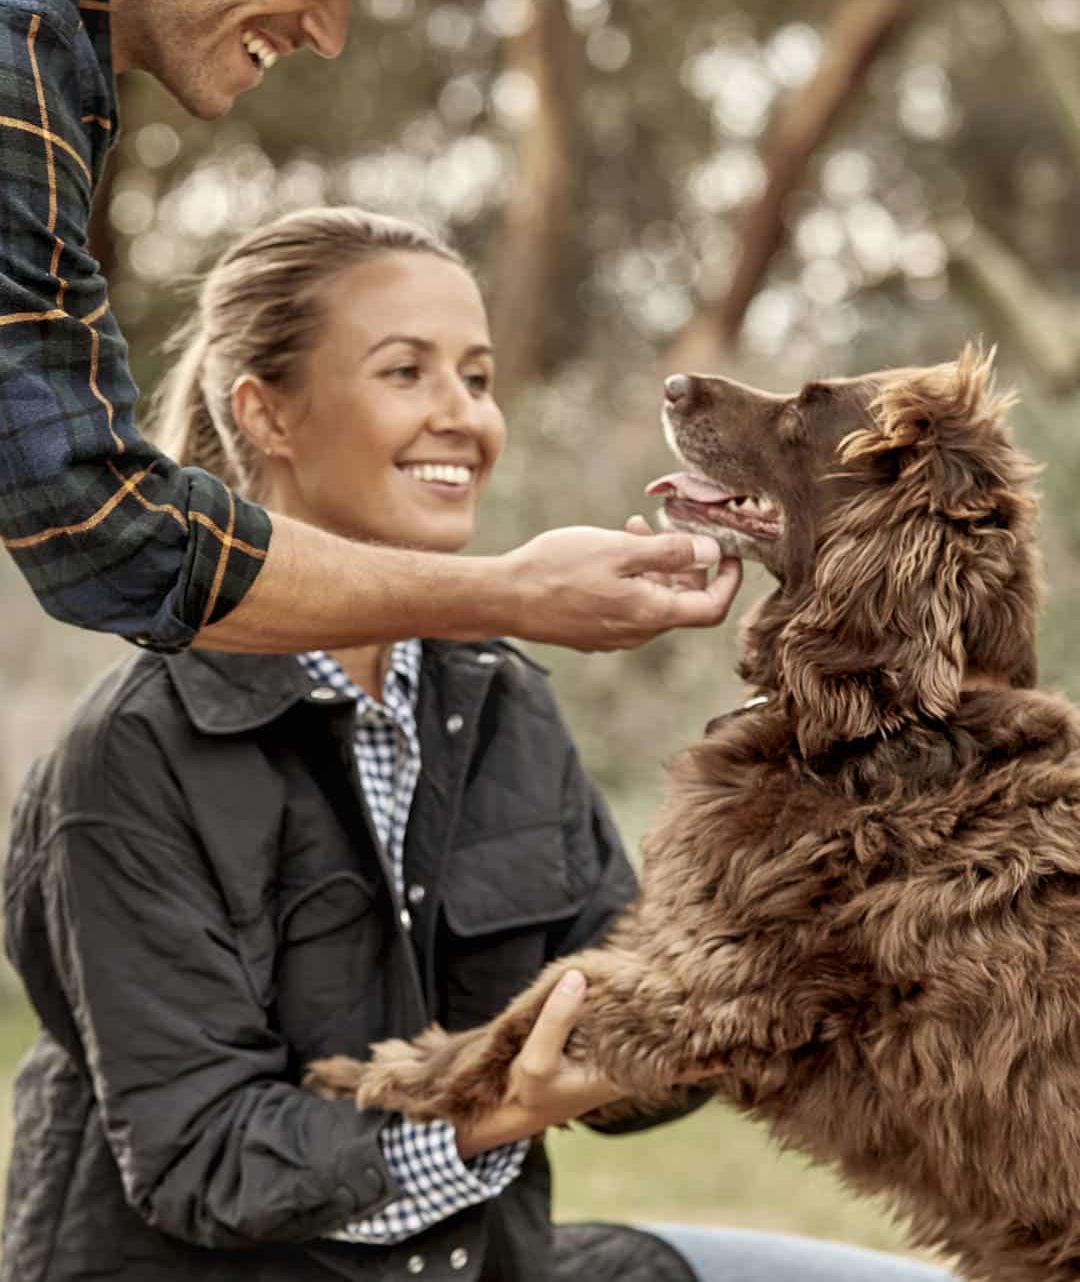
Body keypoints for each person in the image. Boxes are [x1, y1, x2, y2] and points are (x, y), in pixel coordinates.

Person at [1, 206, 953, 1282]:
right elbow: (206, 1163)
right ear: (267, 415)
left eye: (481, 377)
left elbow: (643, 1012)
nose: (464, 417)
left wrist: (798, 788)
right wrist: (490, 1113)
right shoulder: (131, 759)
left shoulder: (495, 697)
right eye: (407, 374)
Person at [0, 0, 741, 660]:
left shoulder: (54, 61)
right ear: (264, 413)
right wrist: (513, 594)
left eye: (477, 376)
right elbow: (101, 530)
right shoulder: (14, 32)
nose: (329, 32)